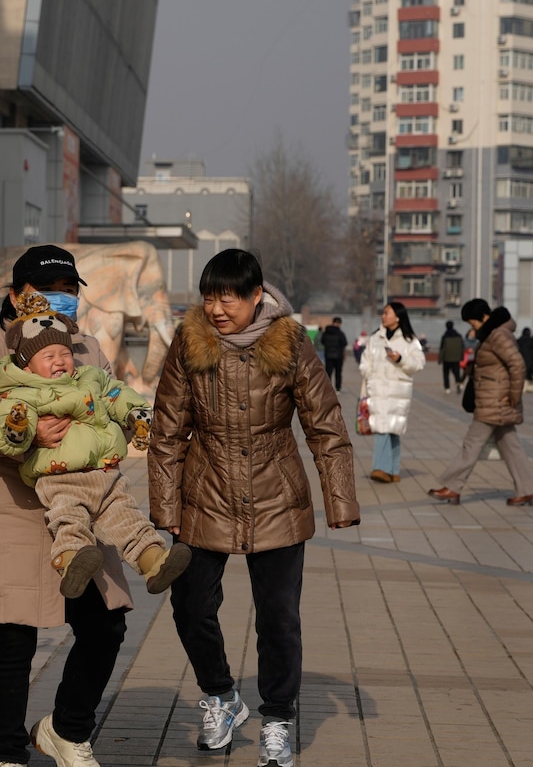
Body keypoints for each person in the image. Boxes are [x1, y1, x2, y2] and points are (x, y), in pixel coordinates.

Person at [149, 249, 358, 767]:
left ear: (256, 295)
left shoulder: (291, 344)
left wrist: (340, 499)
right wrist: (166, 506)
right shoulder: (189, 343)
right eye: (209, 298)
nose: (217, 309)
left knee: (278, 617)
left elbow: (325, 425)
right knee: (190, 605)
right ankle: (221, 696)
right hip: (206, 493)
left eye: (229, 298)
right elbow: (167, 430)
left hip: (276, 496)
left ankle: (278, 719)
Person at [0, 245, 129, 767]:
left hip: (80, 508)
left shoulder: (87, 348)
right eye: (47, 290)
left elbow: (112, 406)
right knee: (11, 639)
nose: (60, 299)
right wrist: (21, 434)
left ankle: (66, 730)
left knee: (105, 625)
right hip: (9, 506)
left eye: (69, 291)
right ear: (15, 295)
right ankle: (5, 753)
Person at [0, 292, 192, 600]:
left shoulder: (90, 378)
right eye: (48, 356)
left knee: (128, 520)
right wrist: (18, 428)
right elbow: (5, 430)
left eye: (64, 353)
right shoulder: (22, 393)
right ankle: (70, 561)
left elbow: (116, 393)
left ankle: (154, 562)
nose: (60, 361)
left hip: (106, 475)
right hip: (61, 477)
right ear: (27, 367)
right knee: (69, 521)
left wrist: (136, 414)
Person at [429, 299, 533, 507]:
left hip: (495, 401)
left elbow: (517, 364)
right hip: (494, 400)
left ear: (483, 317)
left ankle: (453, 487)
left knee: (471, 444)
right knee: (512, 448)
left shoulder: (498, 335)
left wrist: (514, 396)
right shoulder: (492, 333)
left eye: (473, 323)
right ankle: (528, 490)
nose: (472, 328)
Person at [359, 302, 426, 484]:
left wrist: (400, 359)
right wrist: (370, 375)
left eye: (387, 313)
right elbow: (365, 361)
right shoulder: (375, 338)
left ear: (398, 316)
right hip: (377, 390)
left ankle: (384, 469)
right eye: (383, 313)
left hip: (398, 392)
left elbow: (419, 363)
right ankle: (387, 469)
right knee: (383, 428)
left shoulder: (409, 340)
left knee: (392, 429)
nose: (383, 316)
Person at [319, 317, 348, 392]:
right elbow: (344, 343)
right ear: (339, 324)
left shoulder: (326, 332)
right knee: (338, 373)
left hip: (328, 355)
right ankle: (338, 388)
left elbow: (322, 341)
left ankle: (327, 388)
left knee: (328, 372)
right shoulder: (340, 333)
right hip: (338, 356)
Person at [439, 320, 466, 393]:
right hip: (456, 358)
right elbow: (462, 347)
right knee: (456, 373)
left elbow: (442, 349)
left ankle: (447, 388)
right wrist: (461, 357)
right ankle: (458, 384)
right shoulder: (459, 336)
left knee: (446, 374)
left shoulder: (445, 336)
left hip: (446, 358)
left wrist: (440, 359)